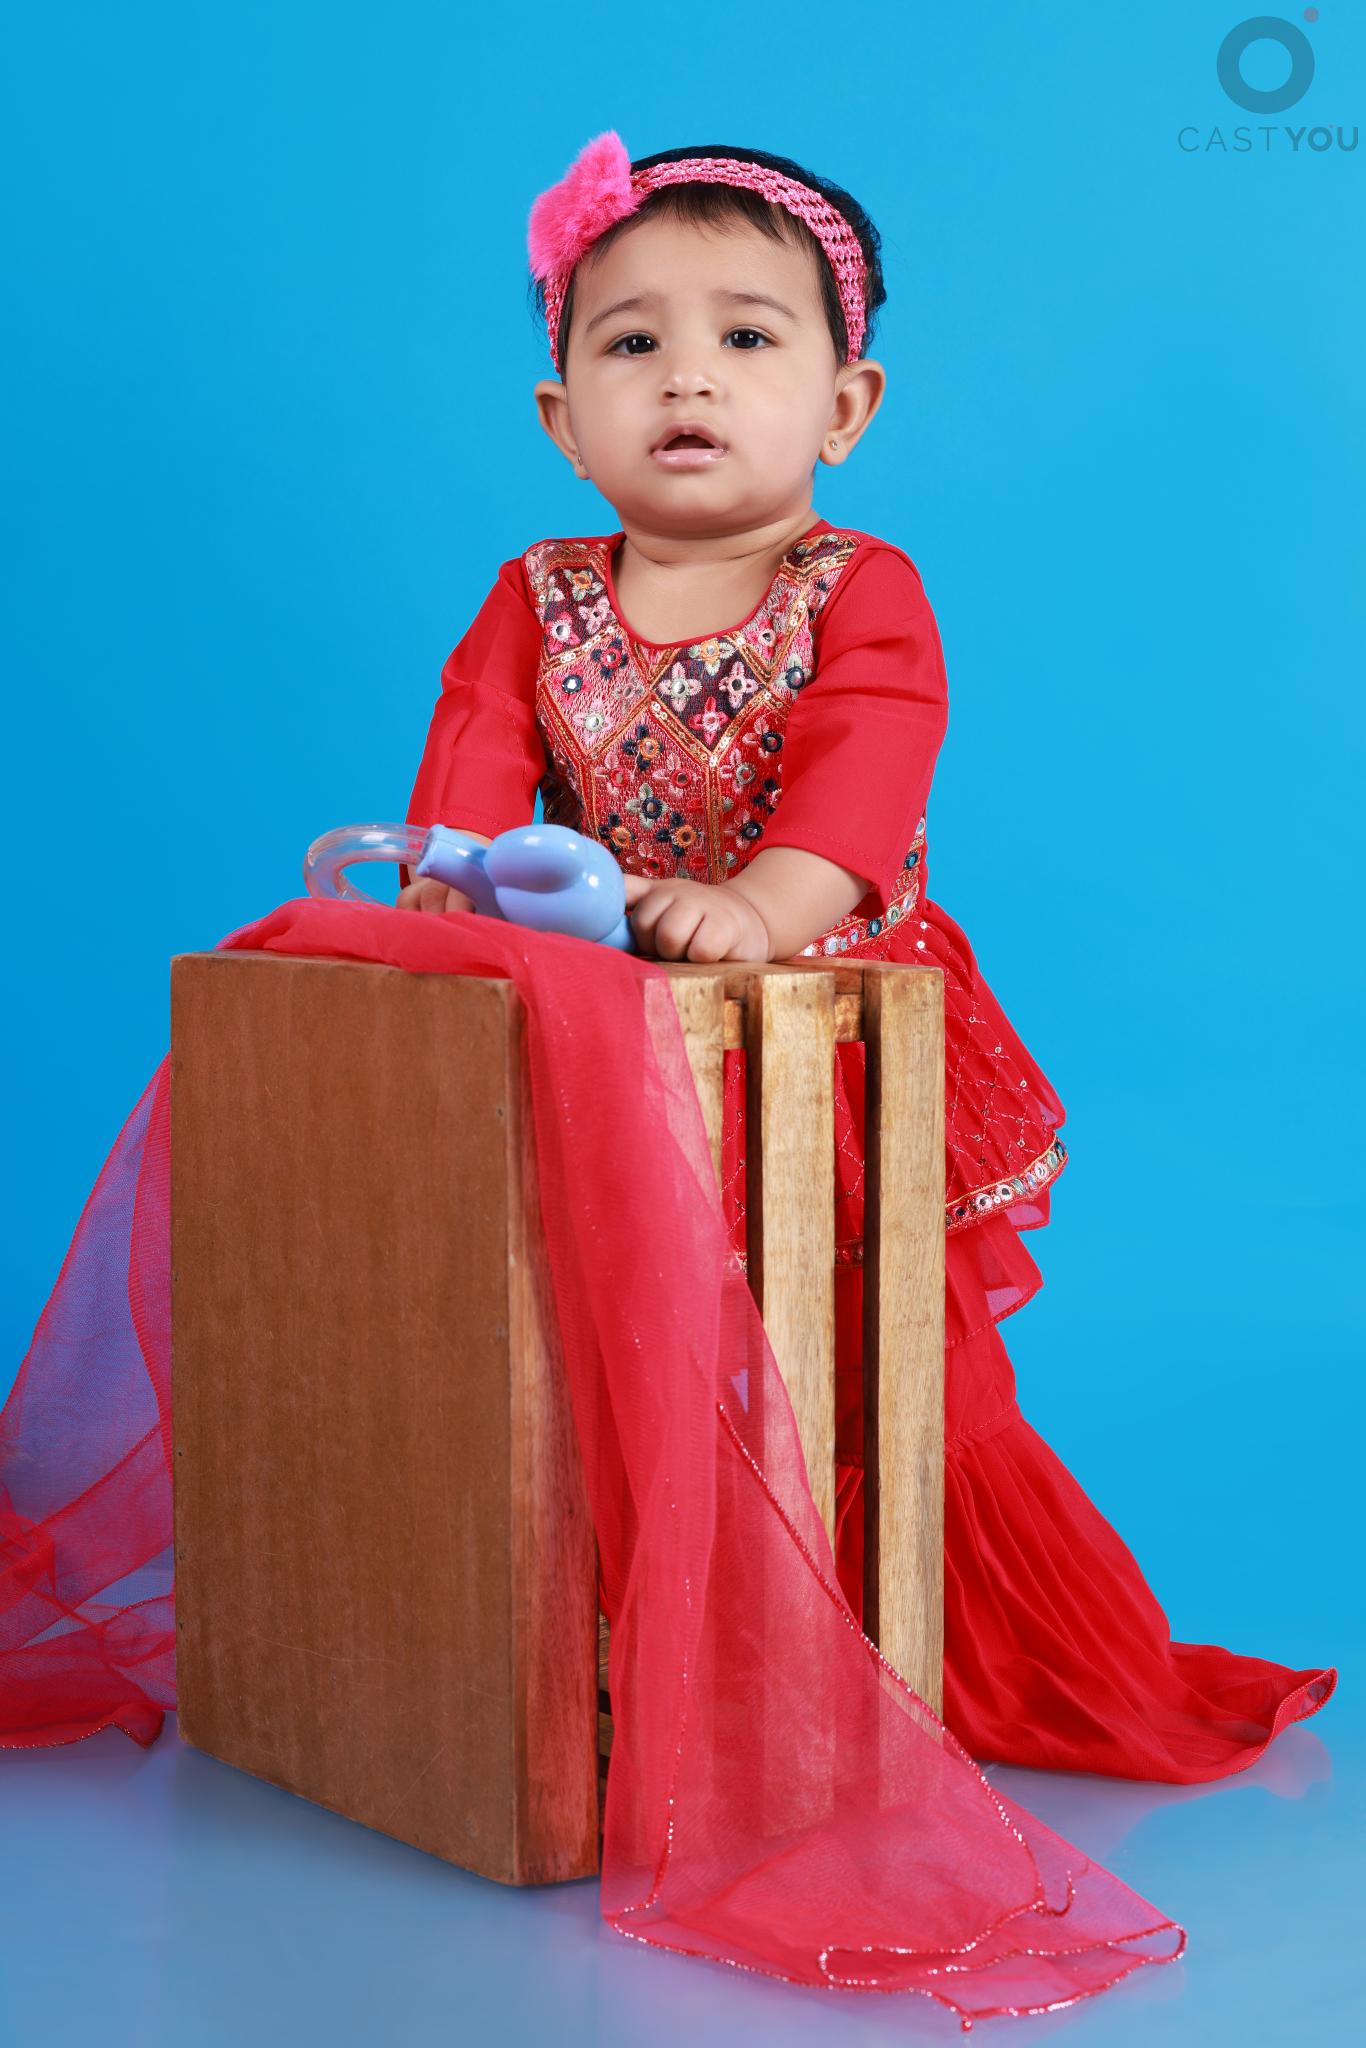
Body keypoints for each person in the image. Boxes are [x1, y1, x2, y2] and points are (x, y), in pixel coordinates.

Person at [396, 134, 1335, 1784]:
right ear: (562, 421)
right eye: (632, 342)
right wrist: (450, 882)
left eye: (746, 337)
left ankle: (862, 1639)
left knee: (851, 1340)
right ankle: (618, 1634)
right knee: (611, 1330)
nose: (687, 376)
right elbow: (472, 758)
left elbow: (864, 768)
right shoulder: (535, 597)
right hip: (619, 1025)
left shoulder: (853, 589)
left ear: (844, 407)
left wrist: (758, 906)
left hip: (827, 1021)